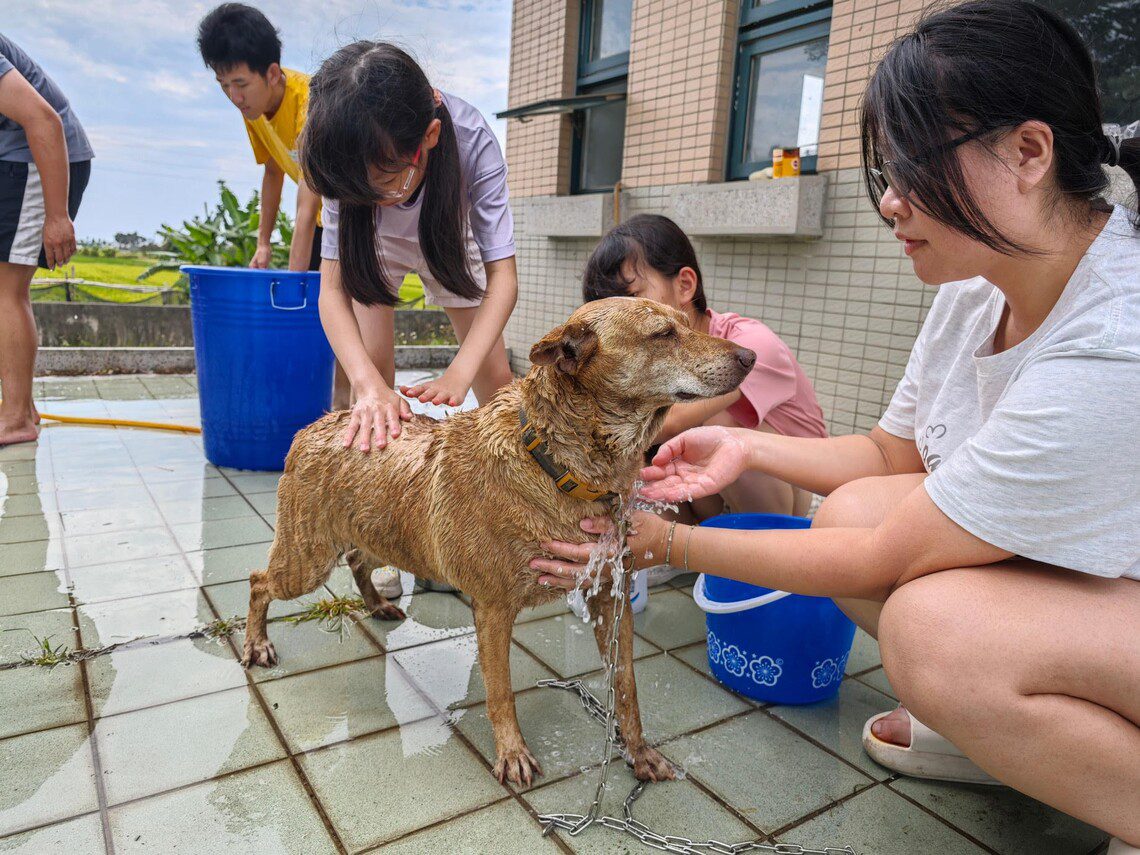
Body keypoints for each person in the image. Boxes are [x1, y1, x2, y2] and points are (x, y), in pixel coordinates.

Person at [531, 1, 1140, 850]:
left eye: (911, 165)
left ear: (1029, 152)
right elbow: (892, 453)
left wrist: (663, 543)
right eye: (885, 170)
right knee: (855, 505)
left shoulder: (1114, 340)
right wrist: (745, 441)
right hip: (1101, 592)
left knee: (932, 632)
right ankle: (1001, 740)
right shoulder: (975, 286)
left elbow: (883, 562)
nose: (889, 200)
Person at [301, 41, 517, 595]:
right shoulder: (341, 151)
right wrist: (371, 386)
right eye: (357, 191)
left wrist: (460, 374)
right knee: (369, 387)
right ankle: (382, 538)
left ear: (428, 141)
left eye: (385, 180)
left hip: (450, 234)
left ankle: (507, 526)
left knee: (498, 386)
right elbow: (331, 292)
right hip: (374, 251)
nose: (373, 198)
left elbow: (503, 282)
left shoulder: (471, 143)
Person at [581, 213, 827, 585]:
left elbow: (676, 420)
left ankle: (754, 561)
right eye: (607, 306)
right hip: (709, 495)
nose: (620, 317)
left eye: (630, 299)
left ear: (684, 285)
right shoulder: (654, 361)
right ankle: (697, 549)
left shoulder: (749, 345)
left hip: (787, 503)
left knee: (714, 427)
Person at [0, 33, 92, 446]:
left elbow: (44, 120)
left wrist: (57, 216)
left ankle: (16, 418)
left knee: (5, 290)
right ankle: (22, 407)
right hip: (15, 158)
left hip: (38, 158)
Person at [197, 4, 321, 274]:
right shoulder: (253, 107)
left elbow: (308, 205)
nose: (234, 97)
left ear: (273, 74)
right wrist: (263, 244)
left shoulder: (311, 105)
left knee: (336, 304)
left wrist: (293, 282)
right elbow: (273, 170)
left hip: (351, 216)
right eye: (224, 85)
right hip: (323, 221)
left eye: (241, 84)